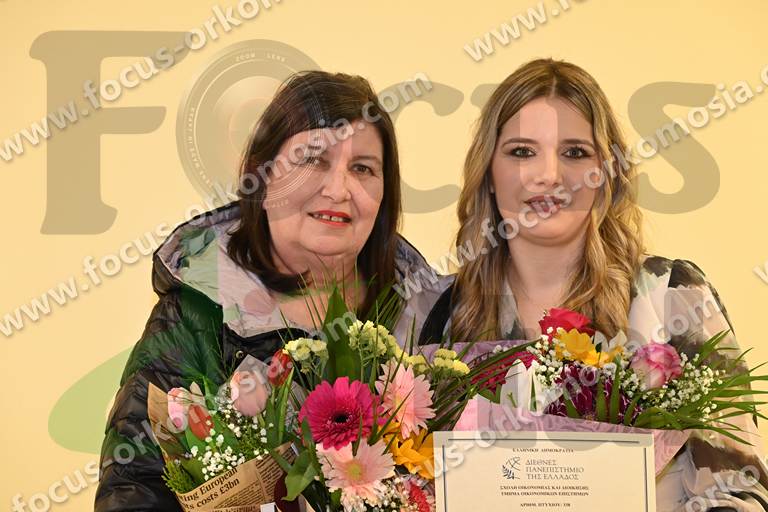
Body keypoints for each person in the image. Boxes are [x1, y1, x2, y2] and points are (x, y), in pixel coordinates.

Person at [419, 58, 768, 511]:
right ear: (488, 172)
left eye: (575, 153)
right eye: (522, 152)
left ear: (606, 172)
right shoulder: (441, 313)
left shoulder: (669, 296)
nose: (549, 175)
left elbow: (740, 489)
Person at [94, 70, 448, 512]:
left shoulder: (430, 322)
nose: (339, 189)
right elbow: (134, 489)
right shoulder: (197, 314)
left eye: (362, 168)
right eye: (313, 160)